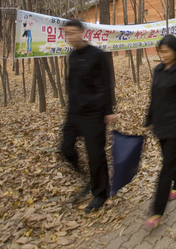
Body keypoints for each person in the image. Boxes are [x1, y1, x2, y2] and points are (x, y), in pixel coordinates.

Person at [60, 19, 116, 213]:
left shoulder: (97, 55)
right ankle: (87, 177)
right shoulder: (72, 56)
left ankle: (100, 193)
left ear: (82, 32)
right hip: (74, 114)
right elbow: (71, 85)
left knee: (96, 156)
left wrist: (108, 110)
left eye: (74, 32)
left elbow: (106, 84)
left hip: (94, 114)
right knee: (66, 148)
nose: (71, 37)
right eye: (67, 33)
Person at [142, 34, 176, 230]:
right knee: (170, 161)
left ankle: (157, 211)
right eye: (161, 51)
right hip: (161, 126)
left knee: (166, 168)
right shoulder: (158, 70)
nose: (163, 55)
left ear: (175, 51)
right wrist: (148, 119)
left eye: (167, 51)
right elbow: (154, 98)